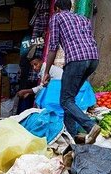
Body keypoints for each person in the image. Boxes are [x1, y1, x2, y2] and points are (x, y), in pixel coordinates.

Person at [42, 0, 100, 144]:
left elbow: (53, 47)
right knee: (70, 99)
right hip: (93, 59)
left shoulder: (57, 17)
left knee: (65, 101)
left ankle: (90, 125)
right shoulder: (83, 18)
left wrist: (46, 71)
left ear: (56, 9)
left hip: (76, 60)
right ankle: (75, 138)